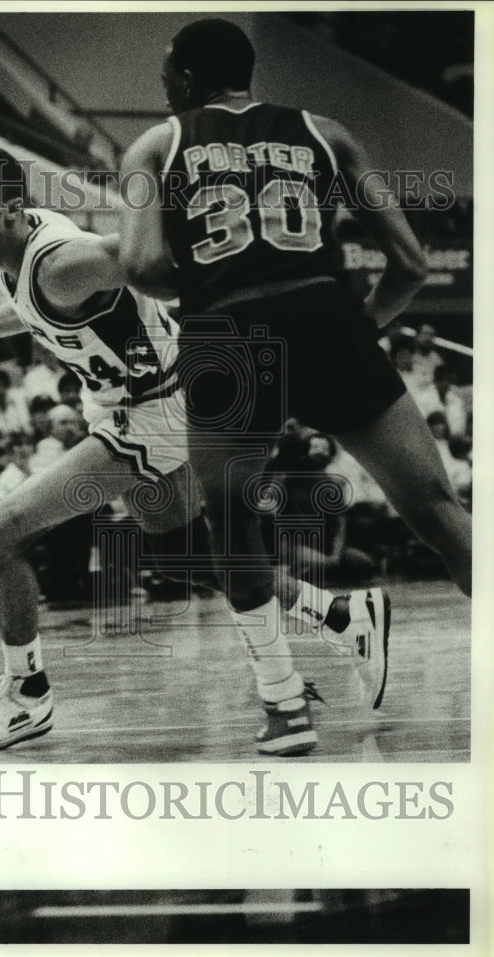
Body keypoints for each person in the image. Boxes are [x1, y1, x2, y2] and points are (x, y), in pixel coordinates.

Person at [118, 18, 472, 754]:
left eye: (165, 74)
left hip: (230, 333)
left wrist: (223, 280)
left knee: (235, 524)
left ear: (183, 80)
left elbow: (143, 268)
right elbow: (408, 264)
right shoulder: (325, 130)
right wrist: (355, 330)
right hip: (324, 314)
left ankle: (285, 708)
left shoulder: (157, 144)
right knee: (438, 509)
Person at [0, 148, 207, 752]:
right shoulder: (23, 253)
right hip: (132, 404)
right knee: (191, 558)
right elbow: (32, 312)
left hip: (150, 410)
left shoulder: (60, 263)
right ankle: (344, 618)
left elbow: (137, 259)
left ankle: (26, 696)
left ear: (11, 209)